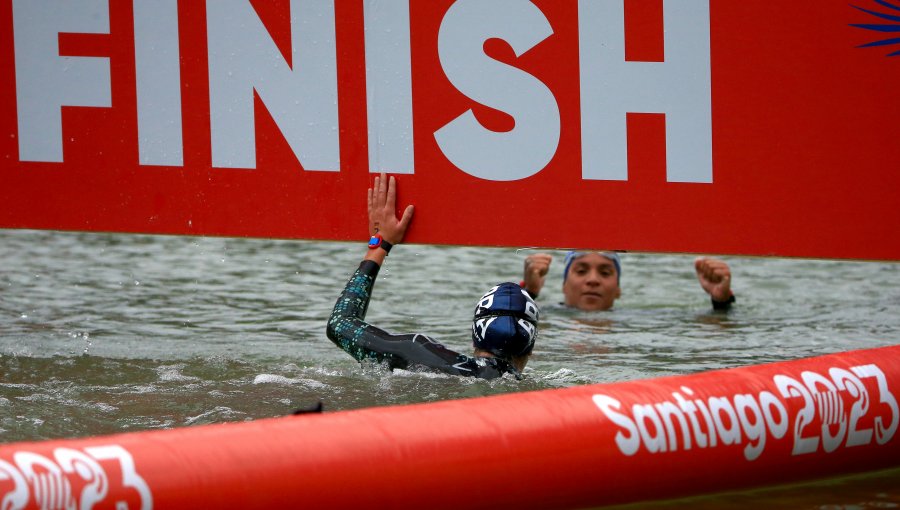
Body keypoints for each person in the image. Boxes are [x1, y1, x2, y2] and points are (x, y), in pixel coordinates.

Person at [326, 173, 539, 379]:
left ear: (475, 338)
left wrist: (380, 243)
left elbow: (339, 323)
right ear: (530, 349)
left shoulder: (419, 355)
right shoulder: (539, 392)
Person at [521, 251, 735, 312]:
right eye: (581, 271)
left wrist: (721, 303)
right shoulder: (548, 316)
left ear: (619, 290)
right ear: (564, 285)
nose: (593, 280)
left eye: (605, 273)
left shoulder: (633, 318)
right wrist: (529, 294)